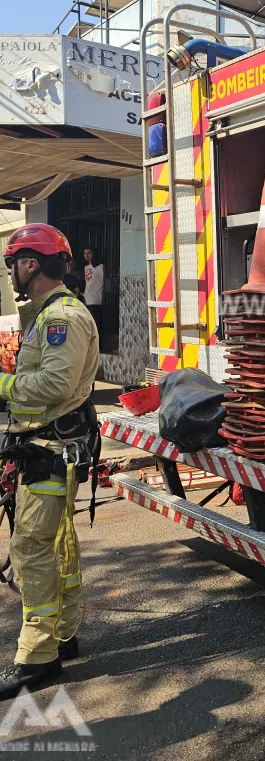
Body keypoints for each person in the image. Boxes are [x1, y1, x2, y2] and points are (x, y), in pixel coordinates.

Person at [0, 224, 99, 697]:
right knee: (57, 545)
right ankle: (64, 635)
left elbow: (56, 387)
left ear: (31, 264)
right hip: (44, 449)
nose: (11, 272)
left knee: (31, 550)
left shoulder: (62, 318)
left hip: (51, 453)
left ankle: (38, 658)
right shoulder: (47, 315)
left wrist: (1, 388)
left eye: (12, 262)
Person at [82, 246, 104, 337]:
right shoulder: (86, 267)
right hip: (86, 298)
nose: (86, 256)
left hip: (96, 299)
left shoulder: (100, 267)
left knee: (95, 325)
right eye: (85, 253)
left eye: (89, 253)